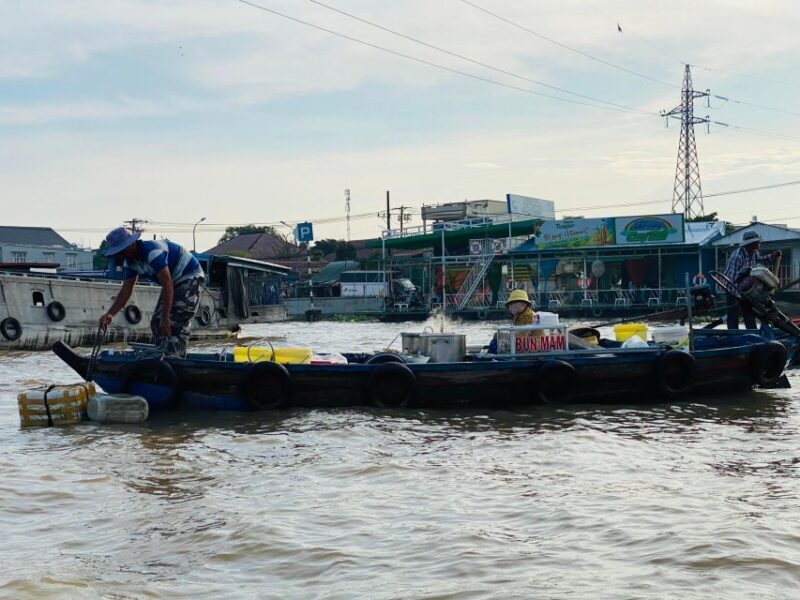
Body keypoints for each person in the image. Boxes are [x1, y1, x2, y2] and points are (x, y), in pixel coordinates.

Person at [99, 227, 205, 357]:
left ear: (132, 244)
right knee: (156, 322)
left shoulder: (152, 252)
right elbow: (126, 289)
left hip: (190, 277)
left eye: (122, 250)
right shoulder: (130, 262)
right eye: (118, 253)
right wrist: (110, 314)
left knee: (175, 322)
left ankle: (175, 356)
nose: (121, 255)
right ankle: (163, 354)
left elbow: (167, 284)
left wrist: (166, 317)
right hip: (172, 282)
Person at [724, 230, 781, 329]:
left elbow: (760, 259)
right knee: (734, 315)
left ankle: (752, 333)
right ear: (751, 243)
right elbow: (733, 280)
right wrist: (742, 293)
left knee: (749, 314)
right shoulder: (737, 256)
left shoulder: (753, 252)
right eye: (757, 242)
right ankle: (733, 336)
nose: (759, 243)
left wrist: (772, 256)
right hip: (733, 289)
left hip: (745, 289)